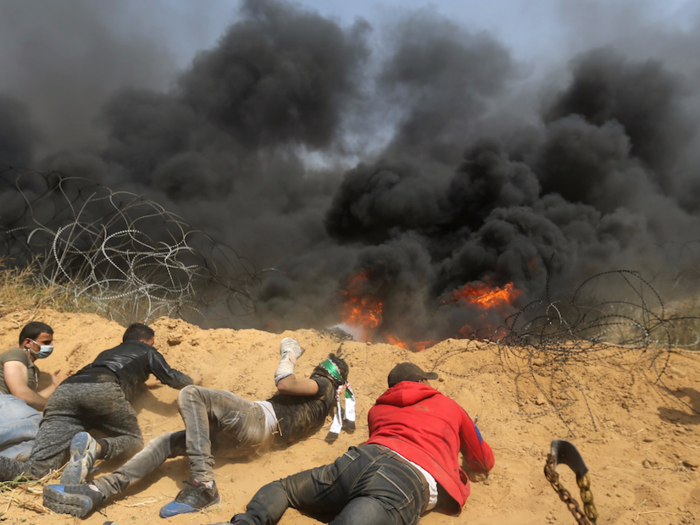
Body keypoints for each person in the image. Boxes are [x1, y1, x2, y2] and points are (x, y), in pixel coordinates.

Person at [42, 337, 354, 520]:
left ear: (329, 375)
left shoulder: (323, 386)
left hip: (255, 421)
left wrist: (289, 353)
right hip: (248, 442)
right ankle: (98, 491)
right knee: (167, 443)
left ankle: (204, 484)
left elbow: (285, 382)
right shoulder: (326, 404)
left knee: (192, 394)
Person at [222, 362, 494, 525]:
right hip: (406, 479)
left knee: (284, 488)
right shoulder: (448, 405)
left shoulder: (378, 410)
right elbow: (483, 460)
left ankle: (248, 521)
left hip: (361, 461)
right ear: (422, 382)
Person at [0, 322, 194, 485]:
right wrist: (195, 381)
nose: (153, 347)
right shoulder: (145, 349)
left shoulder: (106, 354)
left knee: (36, 470)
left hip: (65, 392)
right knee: (133, 440)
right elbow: (172, 377)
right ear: (144, 341)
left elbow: (118, 374)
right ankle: (94, 448)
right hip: (101, 388)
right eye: (152, 344)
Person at [0, 321, 64, 460]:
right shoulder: (16, 353)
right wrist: (52, 407)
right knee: (52, 430)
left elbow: (28, 400)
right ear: (28, 342)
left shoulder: (33, 370)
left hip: (8, 411)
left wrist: (53, 387)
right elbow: (20, 394)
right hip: (3, 402)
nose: (50, 347)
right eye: (46, 342)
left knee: (32, 447)